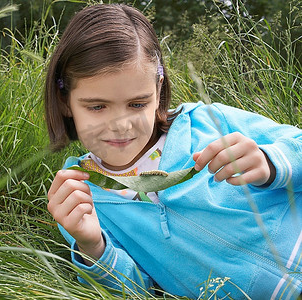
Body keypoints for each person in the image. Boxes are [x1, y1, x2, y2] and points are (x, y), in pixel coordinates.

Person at [44, 3, 301, 299]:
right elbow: (138, 289)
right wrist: (93, 248)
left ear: (158, 88)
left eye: (137, 104)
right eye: (97, 107)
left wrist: (270, 163)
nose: (121, 125)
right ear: (65, 101)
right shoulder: (80, 196)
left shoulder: (208, 122)